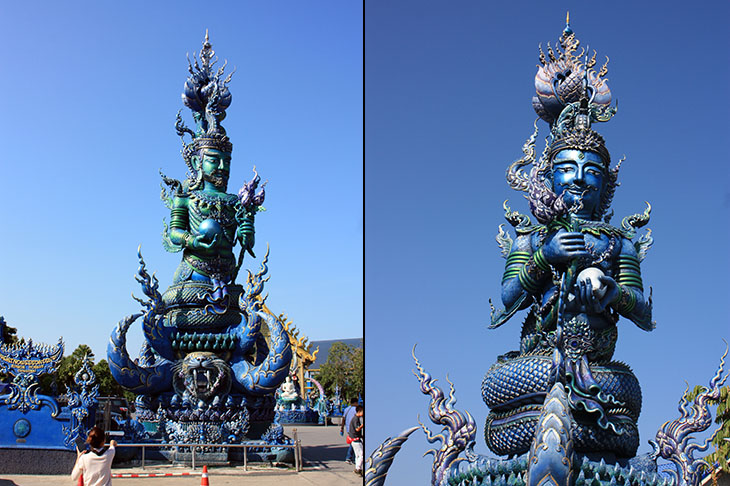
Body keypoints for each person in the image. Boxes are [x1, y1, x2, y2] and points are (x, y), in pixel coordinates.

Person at [340, 398, 358, 463]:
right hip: (354, 428)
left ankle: (351, 457)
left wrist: (342, 428)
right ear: (355, 402)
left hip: (348, 428)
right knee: (354, 442)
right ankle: (349, 457)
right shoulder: (356, 409)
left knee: (353, 442)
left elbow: (343, 419)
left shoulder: (346, 409)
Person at [348, 405, 364, 476]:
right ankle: (358, 468)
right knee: (361, 455)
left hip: (354, 439)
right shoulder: (356, 419)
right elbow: (357, 429)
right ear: (359, 411)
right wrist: (362, 425)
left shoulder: (355, 418)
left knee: (357, 455)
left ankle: (358, 468)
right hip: (356, 440)